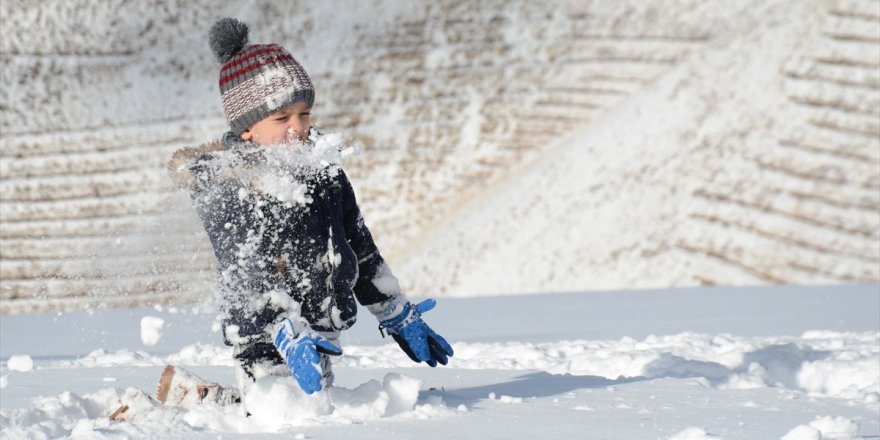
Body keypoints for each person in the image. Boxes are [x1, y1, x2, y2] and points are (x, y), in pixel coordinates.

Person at [165, 17, 454, 402]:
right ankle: (197, 399)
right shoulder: (232, 186)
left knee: (315, 405)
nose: (297, 128)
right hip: (268, 335)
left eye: (304, 114)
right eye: (281, 118)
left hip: (320, 325)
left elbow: (359, 246)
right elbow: (244, 273)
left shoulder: (324, 173)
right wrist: (283, 330)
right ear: (246, 129)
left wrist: (393, 310)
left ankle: (208, 399)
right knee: (281, 411)